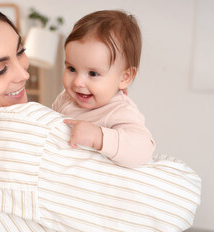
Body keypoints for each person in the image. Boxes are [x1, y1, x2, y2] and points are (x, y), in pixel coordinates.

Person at [0, 0, 201, 232]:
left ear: (125, 77)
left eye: (20, 52)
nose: (24, 73)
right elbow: (174, 203)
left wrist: (103, 138)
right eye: (0, 70)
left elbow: (141, 148)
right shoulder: (36, 134)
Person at [53, 10, 155, 168]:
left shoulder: (119, 110)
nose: (78, 82)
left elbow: (143, 150)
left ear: (124, 77)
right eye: (71, 69)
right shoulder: (65, 98)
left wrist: (99, 137)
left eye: (93, 73)